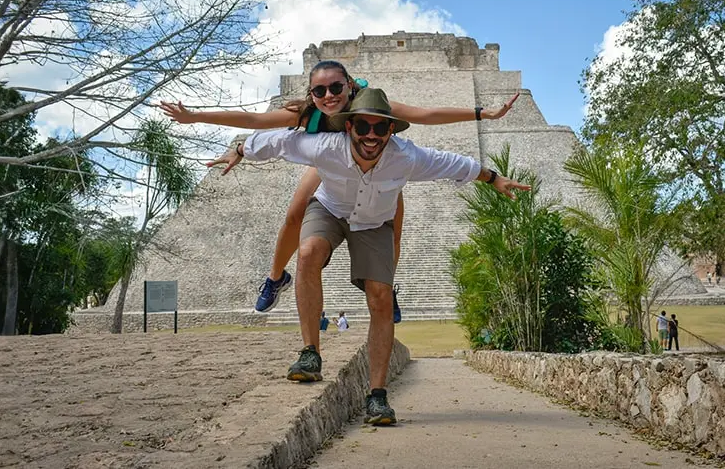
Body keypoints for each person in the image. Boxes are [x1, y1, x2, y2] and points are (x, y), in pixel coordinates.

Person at [205, 88, 530, 425]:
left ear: (391, 130)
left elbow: (453, 162)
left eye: (380, 129)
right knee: (307, 252)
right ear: (349, 128)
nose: (371, 136)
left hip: (374, 222)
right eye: (363, 127)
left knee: (380, 297)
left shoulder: (406, 156)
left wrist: (493, 178)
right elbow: (279, 141)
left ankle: (377, 396)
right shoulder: (325, 147)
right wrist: (241, 150)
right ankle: (310, 353)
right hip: (330, 208)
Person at [161, 60, 518, 323]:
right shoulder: (305, 114)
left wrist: (481, 113)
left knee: (392, 220)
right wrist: (198, 118)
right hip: (327, 159)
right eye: (319, 91)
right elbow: (255, 122)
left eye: (335, 88)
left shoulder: (372, 106)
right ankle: (275, 277)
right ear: (311, 94)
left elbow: (424, 114)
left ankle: (386, 286)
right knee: (295, 212)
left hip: (374, 160)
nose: (329, 96)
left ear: (349, 85)